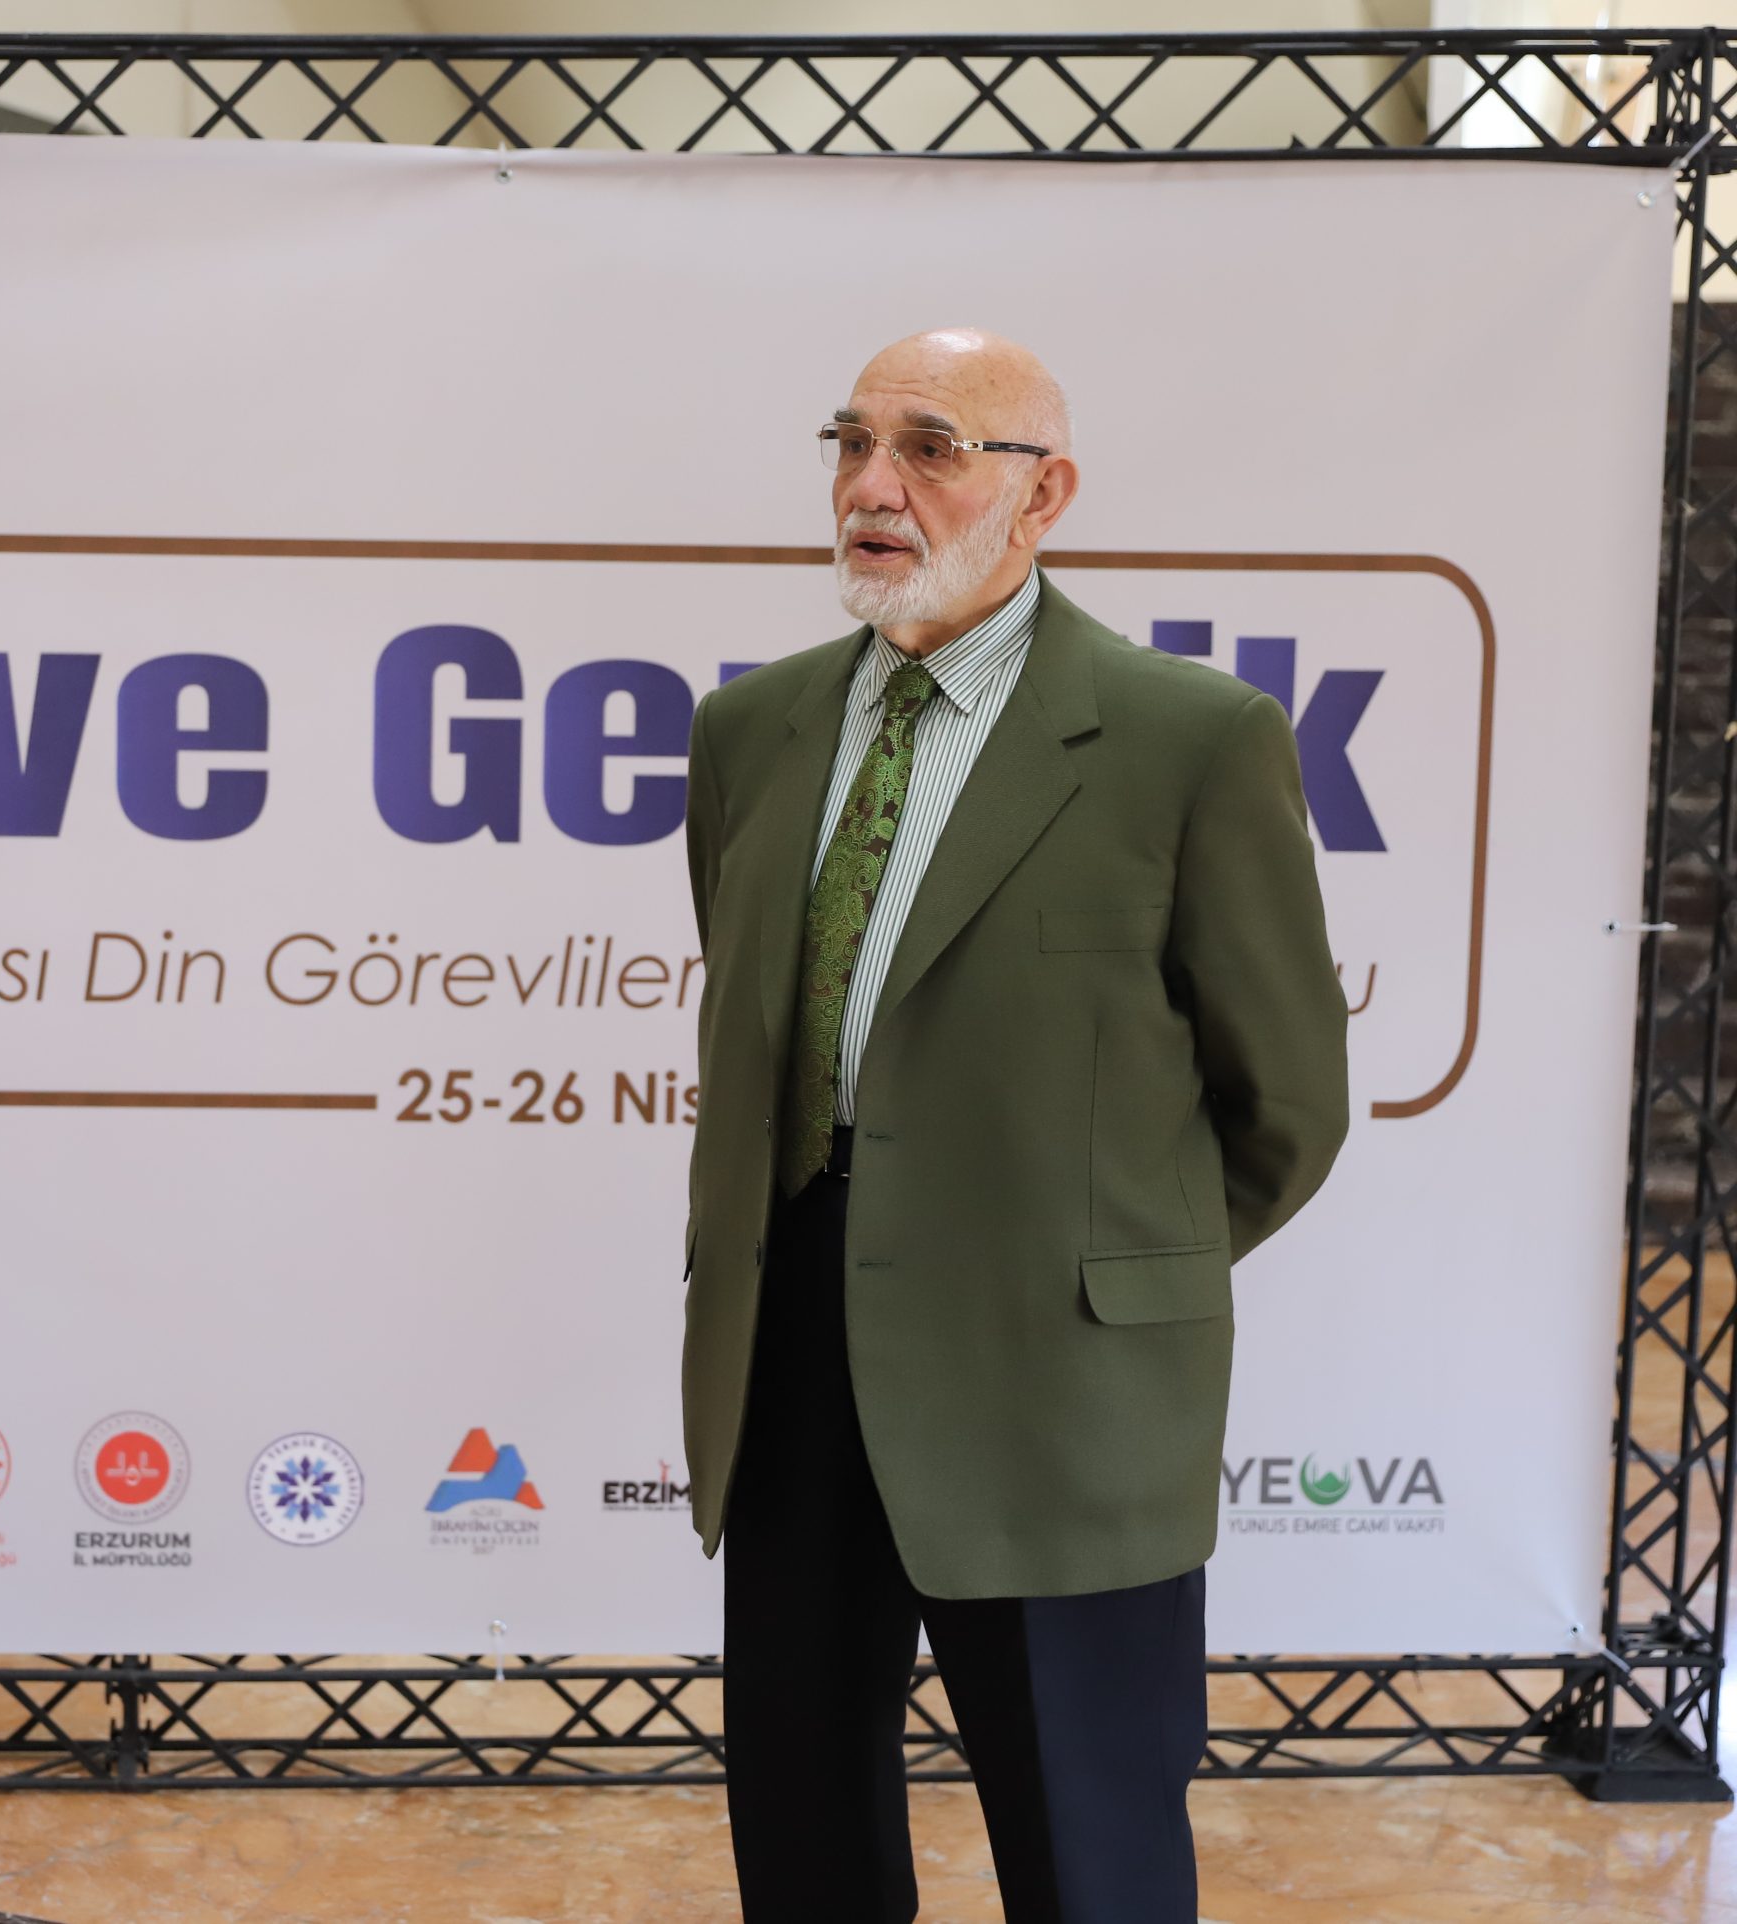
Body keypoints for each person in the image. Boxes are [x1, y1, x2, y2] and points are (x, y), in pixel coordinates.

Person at [680, 326, 1351, 1922]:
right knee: (805, 1844)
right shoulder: (750, 733)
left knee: (1089, 1857)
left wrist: (1100, 1269)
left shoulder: (1189, 741)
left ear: (1044, 495)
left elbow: (1288, 1101)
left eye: (930, 447)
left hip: (1062, 1385)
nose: (872, 485)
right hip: (793, 1356)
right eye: (852, 442)